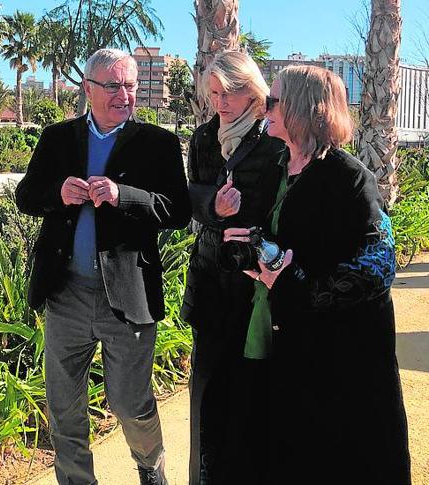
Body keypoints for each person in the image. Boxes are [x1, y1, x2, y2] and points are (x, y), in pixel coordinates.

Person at [15, 48, 191, 485]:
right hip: (65, 293)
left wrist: (122, 195)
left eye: (131, 85)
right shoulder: (57, 138)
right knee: (64, 408)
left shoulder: (158, 144)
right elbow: (25, 196)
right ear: (88, 89)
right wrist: (58, 193)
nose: (124, 94)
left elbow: (177, 211)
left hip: (127, 297)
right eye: (113, 86)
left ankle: (151, 465)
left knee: (130, 403)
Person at [236, 64, 411, 484]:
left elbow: (377, 266)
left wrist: (294, 282)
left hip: (344, 356)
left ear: (300, 108)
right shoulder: (278, 165)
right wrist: (254, 249)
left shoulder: (350, 178)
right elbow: (280, 235)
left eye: (273, 101)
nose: (265, 108)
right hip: (292, 344)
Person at [180, 50, 286, 484]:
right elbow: (186, 196)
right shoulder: (204, 138)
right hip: (209, 280)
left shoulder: (273, 140)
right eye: (214, 94)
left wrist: (254, 227)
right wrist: (214, 206)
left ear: (251, 91)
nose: (220, 103)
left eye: (229, 93)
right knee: (205, 394)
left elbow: (284, 203)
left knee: (250, 393)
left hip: (254, 287)